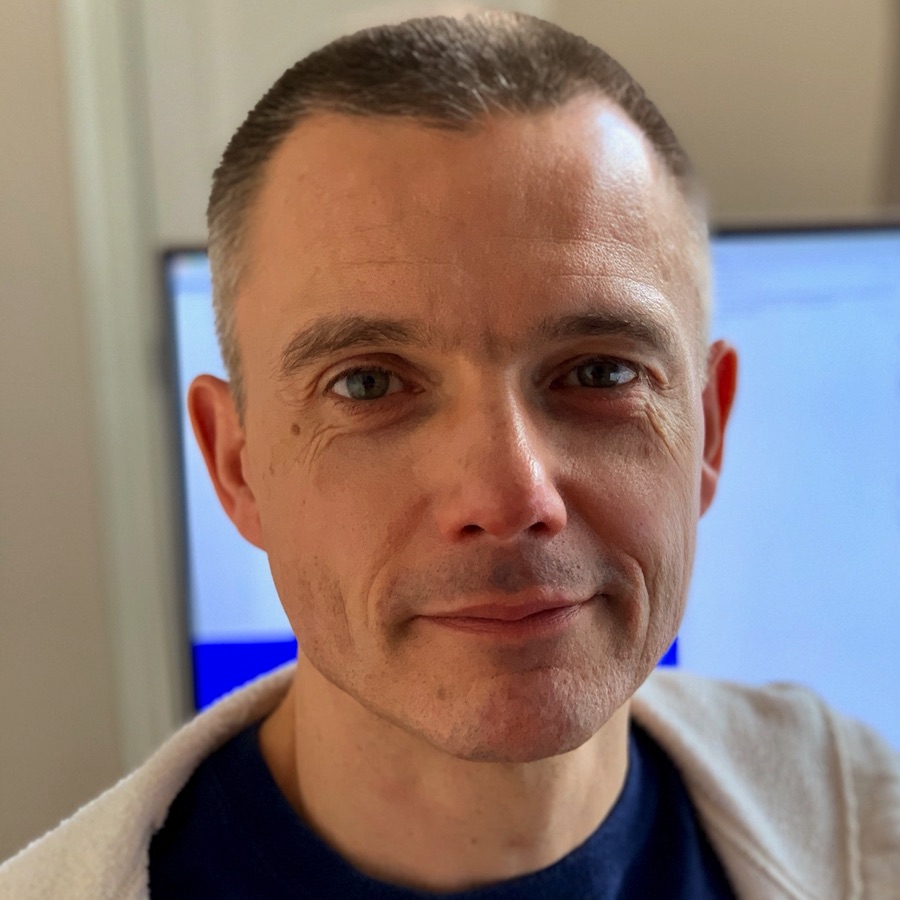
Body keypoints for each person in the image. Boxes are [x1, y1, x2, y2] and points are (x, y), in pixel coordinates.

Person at [2, 10, 898, 899]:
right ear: (234, 463)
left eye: (599, 372)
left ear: (708, 428)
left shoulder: (861, 826)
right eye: (368, 384)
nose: (509, 496)